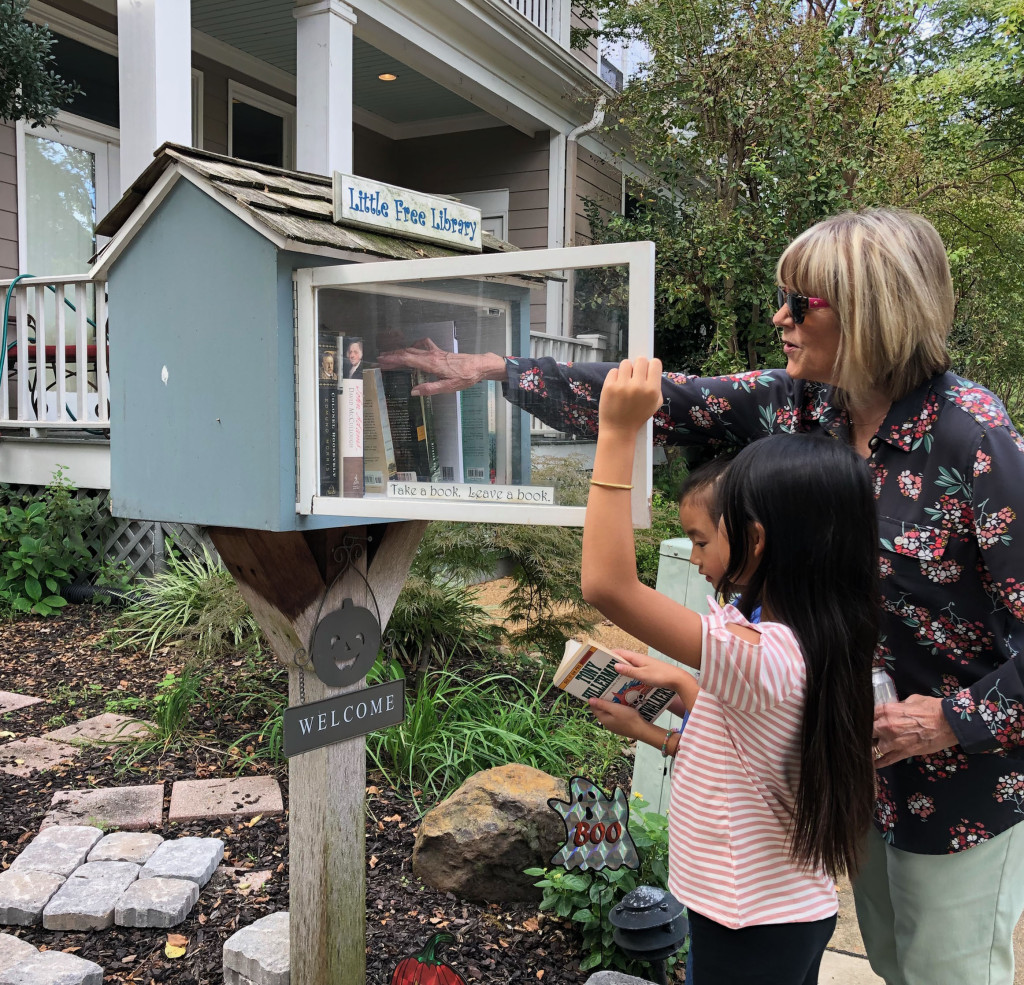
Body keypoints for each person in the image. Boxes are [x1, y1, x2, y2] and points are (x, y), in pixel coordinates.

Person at [376, 208, 1024, 985]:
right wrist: (494, 371)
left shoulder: (973, 440)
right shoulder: (805, 402)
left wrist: (951, 720)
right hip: (841, 761)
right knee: (891, 957)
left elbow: (609, 583)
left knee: (947, 970)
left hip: (953, 783)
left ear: (874, 305)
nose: (780, 317)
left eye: (801, 302)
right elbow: (663, 398)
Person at [583, 356, 879, 984]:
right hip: (784, 910)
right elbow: (759, 741)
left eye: (707, 537)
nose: (697, 556)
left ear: (757, 538)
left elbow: (608, 585)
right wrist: (685, 688)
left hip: (744, 919)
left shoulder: (759, 650)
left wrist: (616, 434)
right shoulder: (822, 632)